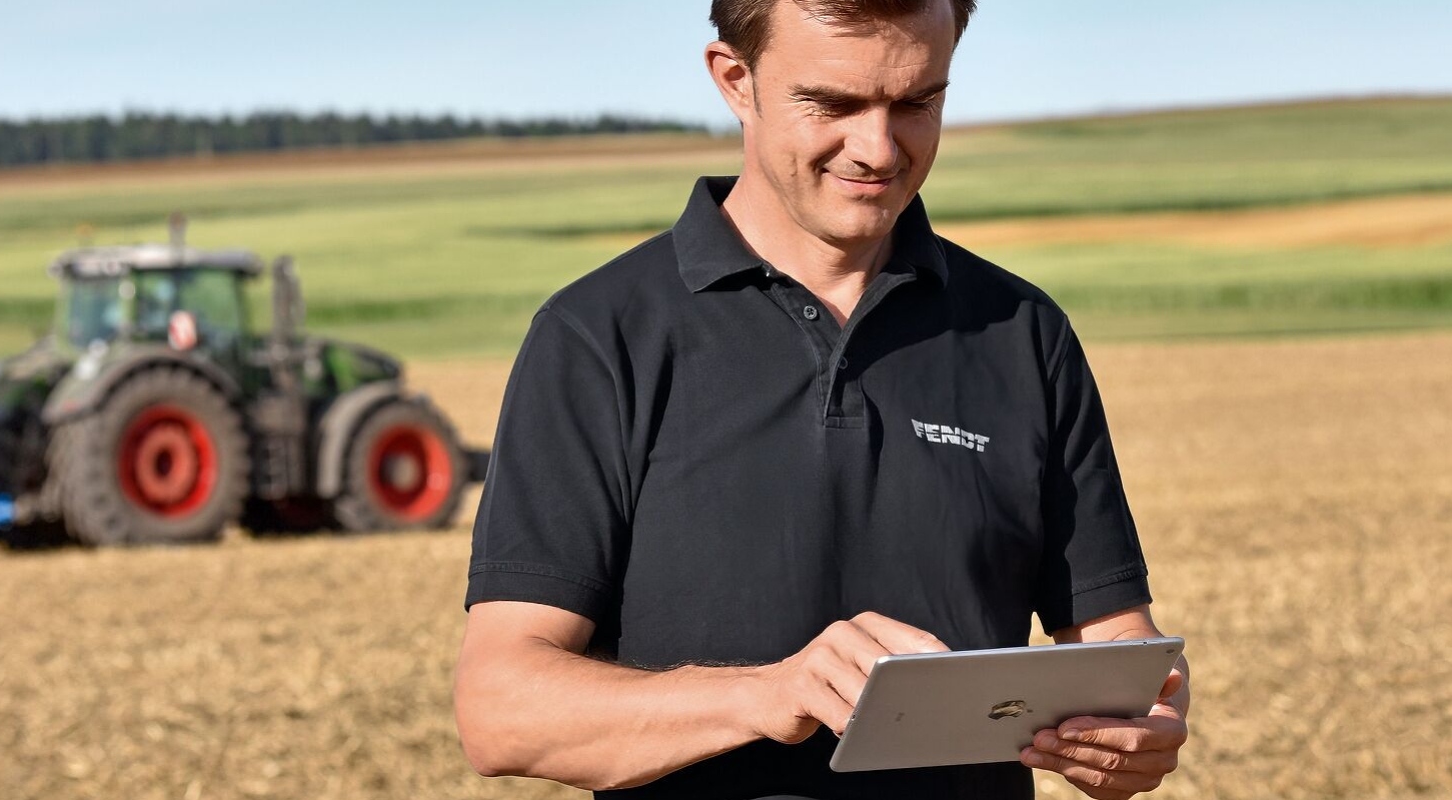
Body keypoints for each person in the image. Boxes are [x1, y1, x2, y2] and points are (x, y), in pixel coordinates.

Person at [453, 1, 1188, 797]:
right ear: (736, 80)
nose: (877, 149)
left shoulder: (1022, 332)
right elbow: (501, 711)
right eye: (832, 104)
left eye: (917, 102)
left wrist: (1138, 730)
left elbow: (1118, 643)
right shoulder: (598, 336)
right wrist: (771, 693)